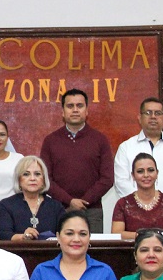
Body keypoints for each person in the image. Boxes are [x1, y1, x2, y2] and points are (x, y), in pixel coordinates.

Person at [39, 89, 114, 233]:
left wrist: (84, 201)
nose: (75, 110)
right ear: (63, 112)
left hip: (92, 211)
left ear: (87, 111)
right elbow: (45, 179)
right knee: (60, 246)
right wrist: (69, 201)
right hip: (59, 209)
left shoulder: (100, 140)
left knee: (92, 247)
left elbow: (107, 178)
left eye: (79, 106)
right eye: (70, 106)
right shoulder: (50, 141)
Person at [113, 97, 163, 205]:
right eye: (148, 113)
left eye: (158, 113)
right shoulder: (126, 147)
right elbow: (121, 182)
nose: (153, 117)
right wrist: (143, 202)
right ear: (139, 118)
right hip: (136, 210)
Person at [110, 153, 163, 239]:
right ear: (133, 176)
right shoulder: (123, 204)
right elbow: (116, 234)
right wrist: (147, 237)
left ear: (157, 173)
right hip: (133, 248)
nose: (146, 175)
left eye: (150, 170)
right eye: (140, 171)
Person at [0, 155, 65, 241]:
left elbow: (64, 234)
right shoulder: (7, 205)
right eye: (26, 174)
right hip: (17, 249)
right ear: (19, 180)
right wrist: (23, 237)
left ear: (44, 180)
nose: (32, 178)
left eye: (37, 174)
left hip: (49, 250)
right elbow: (4, 235)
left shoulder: (56, 206)